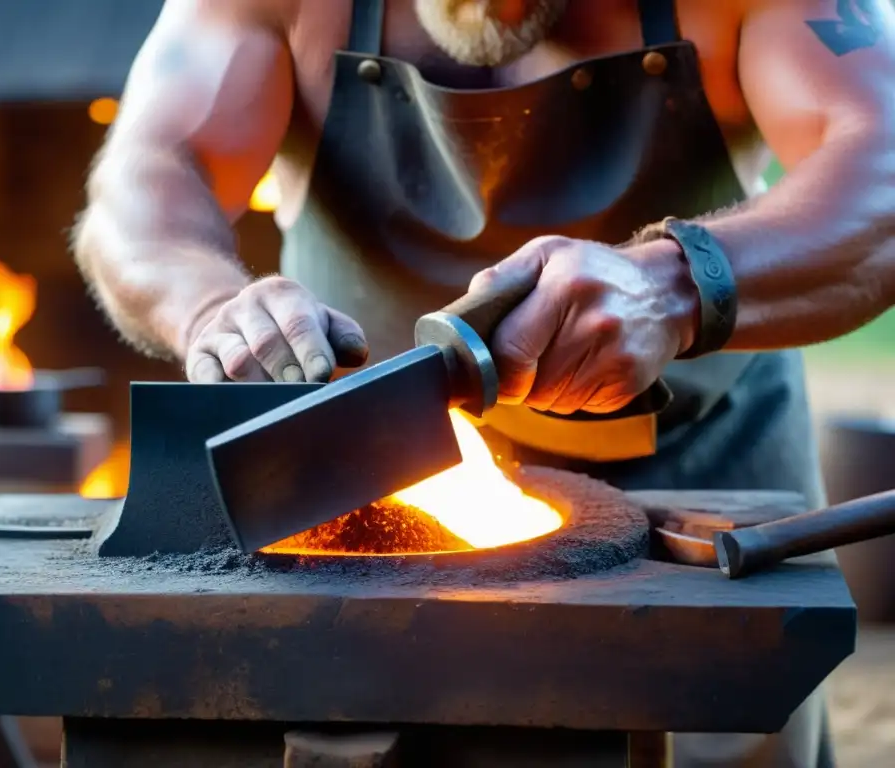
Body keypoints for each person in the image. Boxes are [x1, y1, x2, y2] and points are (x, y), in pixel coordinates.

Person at [73, 0, 895, 765]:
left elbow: (884, 162)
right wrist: (213, 308)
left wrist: (674, 285)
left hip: (707, 459)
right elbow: (146, 171)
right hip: (377, 497)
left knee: (739, 731)